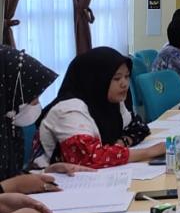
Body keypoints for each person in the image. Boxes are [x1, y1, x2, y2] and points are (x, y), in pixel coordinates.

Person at [34, 47, 165, 169]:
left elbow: (138, 127)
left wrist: (121, 143)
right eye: (117, 78)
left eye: (126, 76)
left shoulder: (108, 101)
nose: (124, 84)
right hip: (51, 179)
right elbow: (90, 157)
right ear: (96, 80)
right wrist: (148, 152)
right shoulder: (68, 110)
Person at [0, 46, 93, 195]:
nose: (37, 103)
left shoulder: (9, 127)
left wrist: (46, 171)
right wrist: (15, 186)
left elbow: (11, 176)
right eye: (32, 97)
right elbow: (10, 184)